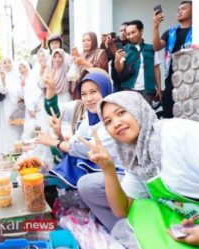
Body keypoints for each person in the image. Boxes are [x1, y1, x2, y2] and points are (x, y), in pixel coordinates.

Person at [81, 91, 199, 248]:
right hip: (188, 220)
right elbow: (124, 209)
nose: (116, 123)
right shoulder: (136, 154)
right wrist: (107, 168)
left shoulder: (178, 135)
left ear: (138, 108)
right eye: (108, 122)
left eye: (121, 112)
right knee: (140, 210)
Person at [36, 72, 124, 231]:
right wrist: (59, 135)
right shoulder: (87, 117)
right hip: (104, 168)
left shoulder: (112, 117)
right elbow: (74, 145)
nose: (88, 98)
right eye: (84, 94)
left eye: (94, 92)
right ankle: (100, 220)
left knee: (85, 185)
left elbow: (84, 148)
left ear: (105, 90)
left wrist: (56, 142)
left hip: (122, 172)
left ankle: (119, 228)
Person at [153, 1, 192, 118]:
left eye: (183, 8)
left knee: (189, 115)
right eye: (178, 10)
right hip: (171, 79)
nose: (179, 11)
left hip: (191, 79)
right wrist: (156, 26)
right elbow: (157, 46)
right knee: (168, 115)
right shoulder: (170, 33)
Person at [115, 20, 161, 105]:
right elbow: (119, 70)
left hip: (147, 90)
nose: (130, 36)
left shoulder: (151, 48)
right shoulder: (125, 49)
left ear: (141, 31)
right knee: (130, 116)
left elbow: (156, 69)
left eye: (133, 32)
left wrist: (159, 88)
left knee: (146, 116)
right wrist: (116, 61)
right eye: (128, 34)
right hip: (129, 89)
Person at [71, 32, 108, 99]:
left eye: (88, 40)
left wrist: (84, 63)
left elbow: (101, 71)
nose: (86, 42)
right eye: (84, 41)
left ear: (94, 41)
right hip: (82, 89)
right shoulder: (82, 54)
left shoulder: (100, 52)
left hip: (95, 88)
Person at [0, 56, 23, 152]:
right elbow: (3, 91)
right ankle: (9, 151)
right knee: (9, 129)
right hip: (7, 107)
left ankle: (19, 151)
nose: (7, 64)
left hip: (18, 107)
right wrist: (3, 80)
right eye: (4, 63)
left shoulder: (18, 75)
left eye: (9, 62)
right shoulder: (1, 77)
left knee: (18, 128)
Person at [18, 61, 48, 139]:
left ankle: (41, 144)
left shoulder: (34, 76)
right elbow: (22, 95)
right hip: (29, 107)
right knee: (30, 128)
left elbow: (37, 92)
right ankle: (33, 147)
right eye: (20, 68)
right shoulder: (21, 80)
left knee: (40, 125)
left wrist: (32, 108)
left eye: (24, 67)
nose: (22, 70)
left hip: (38, 104)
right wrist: (22, 85)